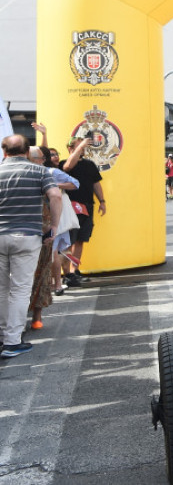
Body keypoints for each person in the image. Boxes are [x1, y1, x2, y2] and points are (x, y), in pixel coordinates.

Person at [1, 135, 63, 359]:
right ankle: (12, 341)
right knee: (20, 289)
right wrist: (54, 226)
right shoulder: (39, 172)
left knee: (2, 288)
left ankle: (2, 334)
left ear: (4, 151)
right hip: (28, 235)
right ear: (27, 151)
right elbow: (55, 195)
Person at [26, 146, 78, 330]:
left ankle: (12, 325)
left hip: (13, 231)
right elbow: (56, 196)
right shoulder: (44, 173)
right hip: (40, 228)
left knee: (15, 280)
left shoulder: (5, 171)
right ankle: (36, 318)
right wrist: (54, 225)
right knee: (40, 272)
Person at [61, 135, 105, 287]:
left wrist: (102, 201)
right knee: (68, 241)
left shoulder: (89, 164)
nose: (83, 149)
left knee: (81, 239)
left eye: (84, 147)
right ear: (70, 148)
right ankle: (67, 273)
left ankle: (75, 270)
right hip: (70, 206)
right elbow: (68, 167)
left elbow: (96, 184)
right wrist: (79, 148)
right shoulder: (63, 164)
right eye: (79, 146)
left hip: (87, 205)